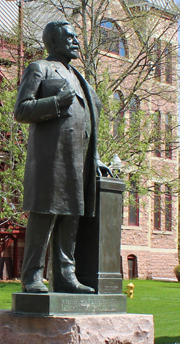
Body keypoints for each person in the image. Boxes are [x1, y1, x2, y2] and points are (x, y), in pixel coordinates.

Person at [15, 21, 110, 293]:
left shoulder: (80, 77)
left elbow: (89, 123)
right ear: (53, 42)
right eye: (70, 37)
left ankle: (66, 275)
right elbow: (21, 110)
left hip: (78, 162)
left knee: (71, 216)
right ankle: (32, 276)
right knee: (43, 216)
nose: (76, 41)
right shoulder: (39, 68)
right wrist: (56, 103)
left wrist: (96, 158)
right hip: (49, 160)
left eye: (77, 37)